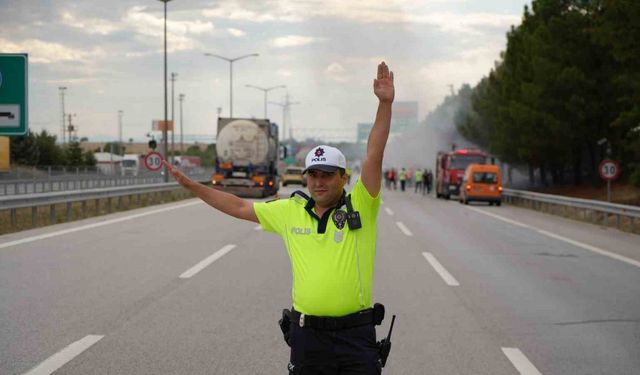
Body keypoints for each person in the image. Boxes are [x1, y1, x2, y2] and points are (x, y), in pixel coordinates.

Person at [165, 62, 395, 375]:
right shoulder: (290, 210)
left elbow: (373, 155)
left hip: (355, 337)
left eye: (327, 175)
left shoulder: (360, 205)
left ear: (344, 177)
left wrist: (384, 104)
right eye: (312, 175)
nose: (318, 182)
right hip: (307, 336)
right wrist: (194, 187)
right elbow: (238, 207)